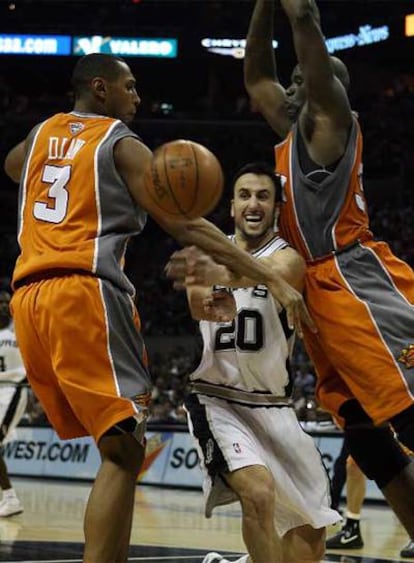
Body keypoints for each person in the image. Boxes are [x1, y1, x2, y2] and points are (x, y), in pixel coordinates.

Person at [3, 53, 314, 563]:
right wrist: (269, 280)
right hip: (84, 291)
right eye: (130, 86)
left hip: (28, 296)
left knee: (117, 448)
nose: (138, 97)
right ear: (100, 89)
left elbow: (15, 167)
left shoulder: (40, 134)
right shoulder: (119, 142)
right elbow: (186, 224)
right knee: (125, 449)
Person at [242, 0, 414, 539]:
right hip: (317, 296)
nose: (290, 88)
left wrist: (300, 19)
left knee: (409, 413)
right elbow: (257, 78)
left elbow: (311, 52)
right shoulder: (293, 130)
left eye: (302, 79)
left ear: (324, 87)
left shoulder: (332, 124)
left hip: (355, 282)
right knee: (365, 435)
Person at [182, 163, 341, 563]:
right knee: (257, 492)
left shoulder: (289, 260)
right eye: (245, 195)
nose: (253, 204)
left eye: (263, 196)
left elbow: (269, 272)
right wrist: (215, 296)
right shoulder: (202, 255)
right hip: (217, 399)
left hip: (274, 406)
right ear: (232, 206)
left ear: (276, 207)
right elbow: (199, 302)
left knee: (309, 536)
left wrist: (225, 277)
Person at [327, 437, 414, 558]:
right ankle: (352, 529)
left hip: (397, 419)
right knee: (354, 463)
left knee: (407, 453)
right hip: (377, 421)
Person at [0, 290, 27, 518]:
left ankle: (10, 498)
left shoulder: (20, 327)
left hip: (12, 391)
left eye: (5, 302)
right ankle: (9, 497)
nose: (2, 305)